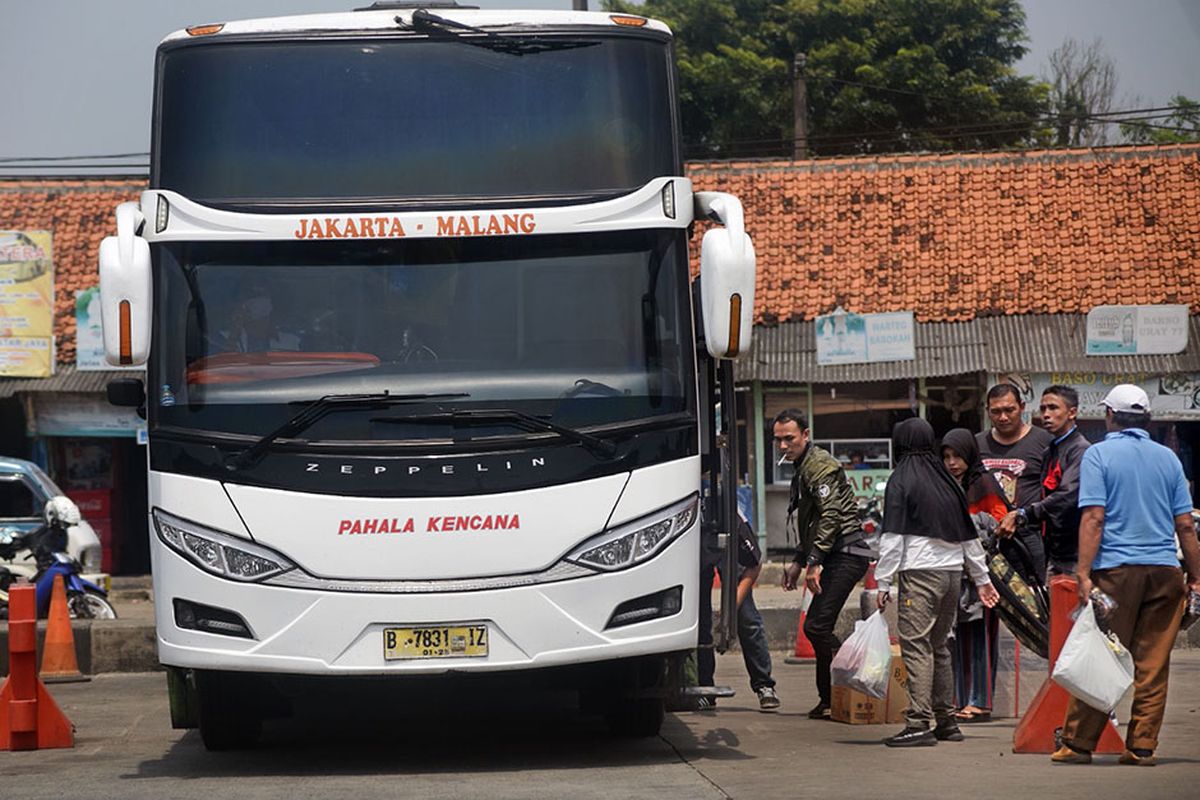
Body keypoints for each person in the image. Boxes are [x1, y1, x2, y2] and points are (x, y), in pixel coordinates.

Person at [1052, 385, 1200, 766]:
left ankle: (1079, 743)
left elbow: (1094, 518)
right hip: (1166, 572)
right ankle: (1142, 747)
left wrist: (1083, 573)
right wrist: (1196, 578)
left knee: (1102, 655)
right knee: (1153, 664)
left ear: (1110, 417)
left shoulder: (1099, 454)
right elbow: (1185, 526)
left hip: (1116, 573)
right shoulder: (1168, 459)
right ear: (1147, 419)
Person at [876, 418, 1000, 747]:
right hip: (952, 575)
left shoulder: (901, 479)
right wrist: (982, 578)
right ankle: (946, 721)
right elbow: (969, 537)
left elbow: (892, 538)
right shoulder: (946, 481)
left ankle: (918, 723)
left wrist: (883, 582)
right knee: (939, 646)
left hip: (919, 574)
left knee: (916, 647)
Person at [775, 409, 875, 720]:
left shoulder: (819, 466)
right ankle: (830, 698)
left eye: (789, 438)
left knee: (817, 627)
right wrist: (798, 561)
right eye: (777, 440)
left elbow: (830, 516)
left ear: (806, 435)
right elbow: (811, 521)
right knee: (818, 628)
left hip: (846, 554)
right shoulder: (802, 466)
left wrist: (814, 562)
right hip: (832, 553)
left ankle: (854, 669)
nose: (782, 446)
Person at [942, 428, 1009, 723]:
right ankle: (959, 699)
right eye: (946, 457)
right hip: (956, 572)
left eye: (957, 456)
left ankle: (980, 701)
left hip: (981, 575)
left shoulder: (983, 483)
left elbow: (999, 523)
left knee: (980, 638)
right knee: (958, 639)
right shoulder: (947, 485)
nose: (952, 462)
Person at [998, 385, 1090, 577]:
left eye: (1053, 408)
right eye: (1042, 409)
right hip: (1052, 549)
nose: (1046, 414)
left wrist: (1025, 513)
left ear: (1072, 412)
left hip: (1074, 552)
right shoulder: (1050, 450)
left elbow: (1067, 496)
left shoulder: (1079, 450)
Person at [976, 384, 1053, 580]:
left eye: (1009, 410)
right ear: (987, 412)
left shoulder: (1044, 442)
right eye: (996, 411)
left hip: (1029, 538)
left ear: (1022, 407)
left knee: (1034, 603)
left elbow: (1055, 493)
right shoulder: (977, 444)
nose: (1003, 417)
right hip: (988, 541)